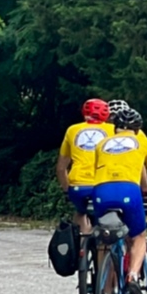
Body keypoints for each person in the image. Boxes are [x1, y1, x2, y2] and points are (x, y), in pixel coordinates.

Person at [83, 104, 147, 290]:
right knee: (139, 236)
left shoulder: (102, 144)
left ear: (115, 128)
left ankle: (105, 292)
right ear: (137, 129)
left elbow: (96, 172)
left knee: (105, 239)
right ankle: (132, 277)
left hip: (101, 191)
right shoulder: (142, 142)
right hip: (128, 191)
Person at [55, 98, 112, 241]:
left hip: (78, 185)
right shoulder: (113, 130)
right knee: (105, 218)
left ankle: (81, 245)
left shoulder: (72, 130)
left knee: (80, 213)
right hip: (104, 185)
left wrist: (66, 189)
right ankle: (101, 250)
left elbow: (61, 168)